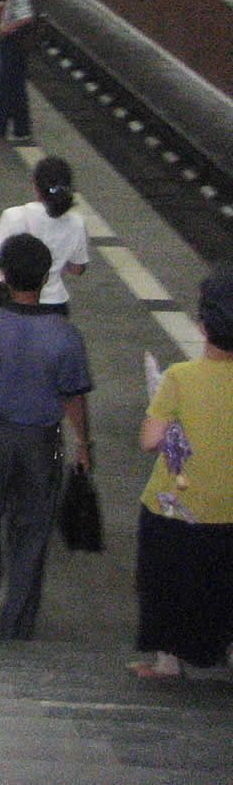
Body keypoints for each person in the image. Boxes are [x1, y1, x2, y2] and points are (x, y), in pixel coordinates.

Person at [0, 233, 94, 640]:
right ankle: (19, 616)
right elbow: (73, 397)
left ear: (4, 277)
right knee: (32, 528)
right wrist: (83, 444)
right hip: (41, 442)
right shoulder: (64, 334)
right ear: (45, 278)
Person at [131, 265, 233, 679]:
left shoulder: (179, 377)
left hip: (175, 505)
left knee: (165, 581)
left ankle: (167, 661)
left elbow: (150, 440)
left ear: (203, 326)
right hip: (228, 506)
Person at [0, 157, 90, 312]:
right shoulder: (76, 222)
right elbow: (77, 269)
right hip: (54, 304)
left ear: (35, 186)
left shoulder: (14, 216)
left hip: (10, 301)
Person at [0, 0, 37, 141]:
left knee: (7, 87)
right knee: (14, 87)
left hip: (14, 44)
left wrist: (7, 28)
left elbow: (26, 17)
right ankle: (18, 129)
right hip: (13, 44)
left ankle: (2, 127)